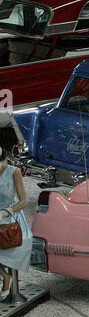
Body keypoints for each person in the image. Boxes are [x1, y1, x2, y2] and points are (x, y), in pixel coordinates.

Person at [0, 126, 31, 300]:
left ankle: (7, 278)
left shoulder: (14, 173)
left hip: (11, 220)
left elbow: (24, 201)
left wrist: (6, 211)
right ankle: (5, 276)